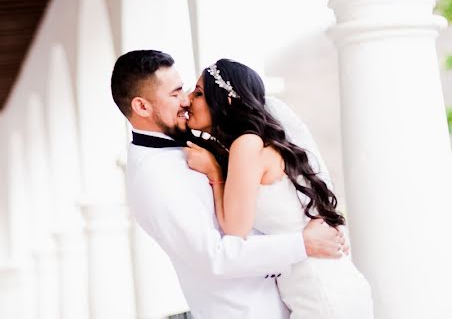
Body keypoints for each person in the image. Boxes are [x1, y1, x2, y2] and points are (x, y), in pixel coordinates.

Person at [112, 50, 347, 319]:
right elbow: (215, 255)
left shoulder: (207, 141)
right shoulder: (152, 178)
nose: (186, 100)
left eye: (188, 90)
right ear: (142, 106)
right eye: (175, 93)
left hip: (300, 295)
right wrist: (302, 244)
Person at [184, 58, 373, 317]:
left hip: (321, 294)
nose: (187, 99)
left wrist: (214, 173)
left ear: (226, 100)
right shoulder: (253, 144)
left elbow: (234, 230)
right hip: (327, 285)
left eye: (198, 93)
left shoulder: (247, 144)